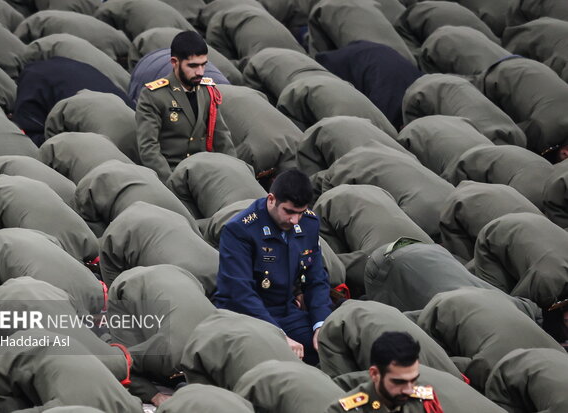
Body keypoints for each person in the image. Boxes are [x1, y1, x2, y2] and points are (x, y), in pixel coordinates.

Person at [213, 169, 332, 365]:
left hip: (284, 310)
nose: (295, 220)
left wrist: (321, 325)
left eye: (300, 213)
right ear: (271, 200)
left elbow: (316, 279)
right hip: (245, 316)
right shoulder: (240, 230)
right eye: (289, 212)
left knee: (328, 346)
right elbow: (239, 293)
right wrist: (277, 335)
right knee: (273, 357)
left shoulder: (308, 223)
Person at [135, 30, 235, 182]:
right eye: (193, 66)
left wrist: (234, 172)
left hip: (204, 172)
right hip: (173, 175)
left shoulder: (207, 91)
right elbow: (149, 149)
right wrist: (172, 183)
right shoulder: (154, 95)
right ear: (175, 62)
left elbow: (222, 138)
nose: (200, 72)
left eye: (203, 65)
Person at [325, 331, 444, 413]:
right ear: (374, 374)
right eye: (398, 382)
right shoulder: (344, 411)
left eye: (413, 380)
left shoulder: (422, 401)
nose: (409, 389)